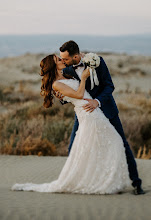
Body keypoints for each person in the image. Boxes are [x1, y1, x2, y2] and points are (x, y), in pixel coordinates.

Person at [12, 54, 131, 194]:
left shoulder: (67, 75)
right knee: (111, 142)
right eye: (58, 59)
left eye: (60, 58)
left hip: (93, 111)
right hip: (88, 114)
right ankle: (100, 181)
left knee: (102, 145)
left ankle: (100, 179)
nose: (62, 60)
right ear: (53, 66)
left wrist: (85, 59)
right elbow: (79, 95)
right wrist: (85, 77)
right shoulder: (56, 84)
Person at [56, 40, 144, 195]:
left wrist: (97, 102)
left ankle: (137, 184)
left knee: (122, 144)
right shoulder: (68, 70)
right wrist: (61, 97)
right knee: (73, 147)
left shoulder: (97, 61)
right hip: (85, 115)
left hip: (106, 110)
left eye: (66, 59)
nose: (63, 61)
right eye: (62, 59)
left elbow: (109, 86)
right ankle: (79, 182)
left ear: (76, 56)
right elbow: (71, 93)